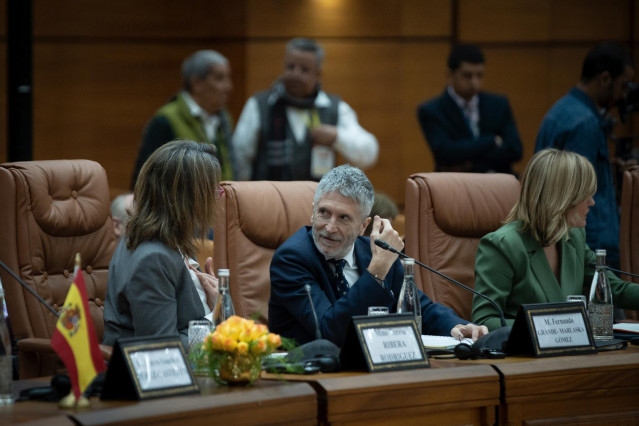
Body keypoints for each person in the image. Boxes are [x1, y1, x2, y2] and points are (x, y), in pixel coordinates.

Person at [269, 164, 487, 347]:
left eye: (344, 218)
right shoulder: (291, 259)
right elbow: (329, 331)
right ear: (313, 210)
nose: (329, 227)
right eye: (324, 212)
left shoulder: (372, 251)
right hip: (311, 375)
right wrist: (377, 271)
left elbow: (419, 308)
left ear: (363, 225)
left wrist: (455, 326)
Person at [472, 149, 639, 331]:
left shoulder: (573, 236)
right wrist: (552, 325)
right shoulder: (503, 245)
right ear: (563, 198)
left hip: (571, 351)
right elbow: (485, 320)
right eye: (586, 195)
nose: (592, 202)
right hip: (524, 354)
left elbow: (614, 289)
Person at [104, 141, 221, 349]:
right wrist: (217, 321)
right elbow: (162, 347)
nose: (218, 194)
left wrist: (217, 304)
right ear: (187, 198)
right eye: (211, 188)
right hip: (154, 376)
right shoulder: (152, 258)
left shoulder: (172, 239)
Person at [535, 42, 635, 270]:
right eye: (622, 86)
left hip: (566, 241)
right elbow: (578, 193)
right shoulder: (585, 124)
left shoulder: (562, 110)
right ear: (605, 79)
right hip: (589, 248)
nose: (622, 96)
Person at [233, 38, 378, 181]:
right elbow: (240, 160)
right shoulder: (259, 105)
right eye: (290, 67)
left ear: (318, 74)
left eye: (304, 69)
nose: (296, 74)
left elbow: (369, 154)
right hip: (267, 200)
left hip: (317, 201)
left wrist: (336, 137)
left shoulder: (336, 108)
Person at [131, 50, 235, 188]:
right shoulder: (165, 120)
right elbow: (144, 177)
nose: (228, 86)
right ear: (197, 83)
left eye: (228, 78)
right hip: (181, 207)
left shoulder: (225, 119)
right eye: (219, 78)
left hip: (219, 203)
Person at [417, 44, 523, 174]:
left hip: (497, 184)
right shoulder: (432, 110)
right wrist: (491, 140)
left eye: (479, 75)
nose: (474, 82)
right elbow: (444, 153)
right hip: (454, 187)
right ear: (450, 75)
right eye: (467, 76)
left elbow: (515, 150)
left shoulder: (499, 104)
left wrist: (469, 164)